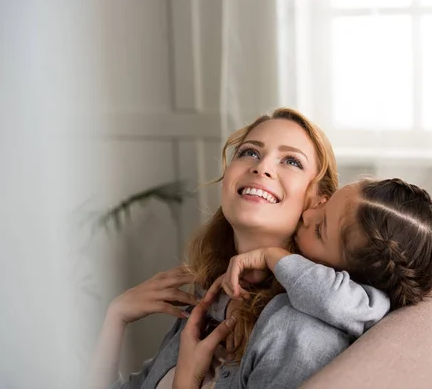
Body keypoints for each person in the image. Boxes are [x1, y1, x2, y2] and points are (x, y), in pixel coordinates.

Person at [88, 108, 348, 389]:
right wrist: (116, 316)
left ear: (320, 202)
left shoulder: (301, 334)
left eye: (292, 161)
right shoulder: (211, 295)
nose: (262, 167)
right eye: (250, 152)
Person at [220, 178, 432, 337]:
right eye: (326, 202)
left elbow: (333, 298)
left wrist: (272, 255)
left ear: (351, 280)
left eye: (319, 230)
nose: (307, 215)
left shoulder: (362, 306)